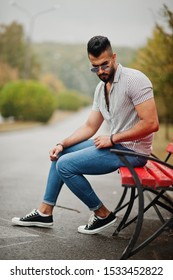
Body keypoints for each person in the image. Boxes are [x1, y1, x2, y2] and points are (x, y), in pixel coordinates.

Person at [12, 35, 159, 234]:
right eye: (95, 67)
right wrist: (61, 143)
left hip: (133, 153)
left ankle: (102, 214)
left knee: (65, 165)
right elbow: (90, 126)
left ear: (114, 57)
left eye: (105, 65)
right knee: (61, 154)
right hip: (116, 146)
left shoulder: (134, 80)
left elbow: (151, 123)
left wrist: (112, 138)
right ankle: (45, 212)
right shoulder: (101, 88)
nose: (100, 71)